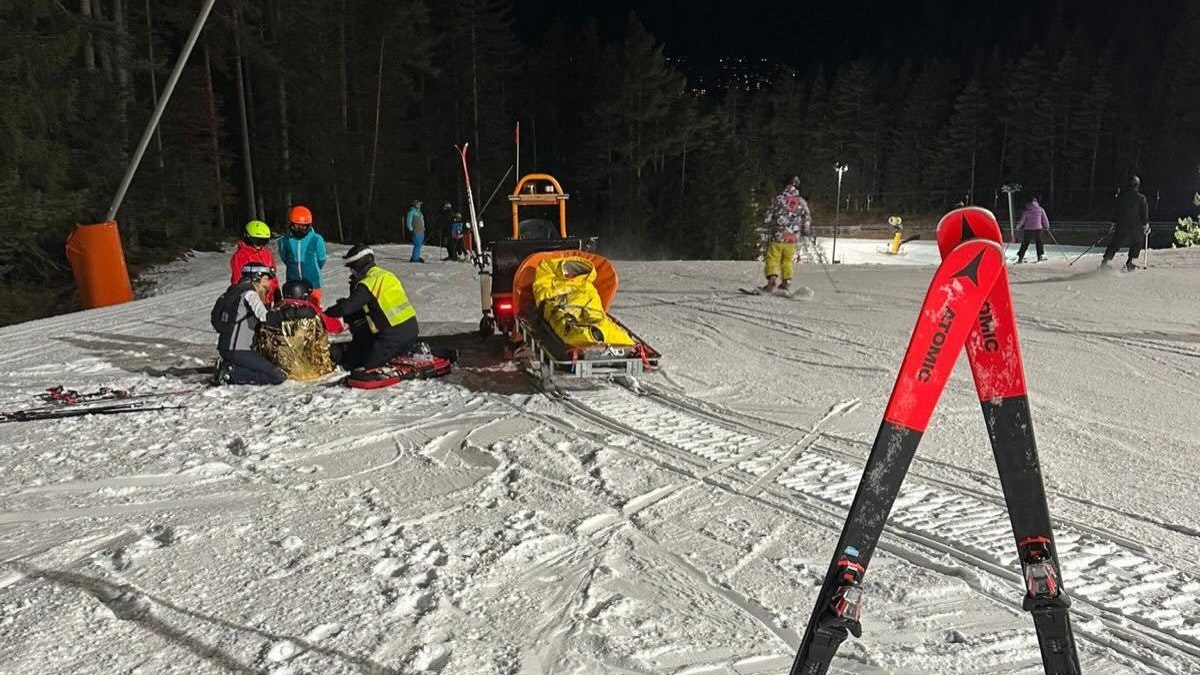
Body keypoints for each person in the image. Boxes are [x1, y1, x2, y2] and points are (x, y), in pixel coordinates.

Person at [325, 245, 419, 371]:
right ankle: (404, 352)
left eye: (352, 267)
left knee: (370, 366)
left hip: (393, 333)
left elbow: (348, 307)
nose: (351, 272)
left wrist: (327, 313)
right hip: (410, 326)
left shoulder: (368, 283)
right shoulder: (386, 275)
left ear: (359, 264)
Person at [211, 264, 286, 385]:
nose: (269, 283)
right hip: (238, 350)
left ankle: (229, 367)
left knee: (264, 367)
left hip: (228, 348)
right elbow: (264, 317)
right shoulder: (250, 294)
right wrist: (287, 314)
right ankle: (230, 374)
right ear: (256, 278)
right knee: (277, 376)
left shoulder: (236, 291)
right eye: (266, 279)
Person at [255, 279, 337, 381]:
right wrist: (325, 367)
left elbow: (262, 344)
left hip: (277, 370)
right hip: (307, 371)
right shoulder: (311, 316)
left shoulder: (270, 315)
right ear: (303, 295)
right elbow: (320, 344)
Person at [760, 176, 811, 293]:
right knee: (787, 260)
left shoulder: (778, 199)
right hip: (792, 237)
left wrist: (767, 221)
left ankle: (772, 278)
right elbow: (807, 217)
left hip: (778, 235)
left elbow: (768, 215)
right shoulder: (801, 202)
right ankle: (786, 281)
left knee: (773, 258)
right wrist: (805, 229)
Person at [277, 205, 329, 303]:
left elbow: (321, 259)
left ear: (309, 225)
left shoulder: (316, 239)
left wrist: (311, 268)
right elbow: (284, 257)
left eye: (303, 227)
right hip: (293, 283)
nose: (300, 230)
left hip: (313, 282)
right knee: (293, 310)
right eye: (296, 226)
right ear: (291, 225)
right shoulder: (285, 240)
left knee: (314, 309)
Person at [1102, 176, 1150, 271]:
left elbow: (1116, 210)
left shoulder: (1121, 197)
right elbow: (1144, 213)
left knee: (1115, 243)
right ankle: (1129, 262)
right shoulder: (1141, 198)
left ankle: (1104, 262)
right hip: (1135, 226)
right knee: (1138, 241)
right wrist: (1146, 225)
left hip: (1121, 224)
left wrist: (1112, 223)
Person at [229, 220, 280, 301]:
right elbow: (238, 279)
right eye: (257, 241)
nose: (260, 245)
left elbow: (272, 275)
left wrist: (276, 291)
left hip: (267, 298)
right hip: (252, 299)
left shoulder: (266, 253)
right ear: (248, 237)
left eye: (263, 242)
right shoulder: (240, 256)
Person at [1016, 197, 1050, 263]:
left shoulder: (1026, 211)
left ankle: (1020, 258)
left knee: (1025, 243)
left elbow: (1022, 220)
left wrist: (1018, 226)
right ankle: (1039, 257)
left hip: (1028, 229)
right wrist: (1047, 226)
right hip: (1038, 229)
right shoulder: (1041, 210)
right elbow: (1045, 219)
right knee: (1039, 242)